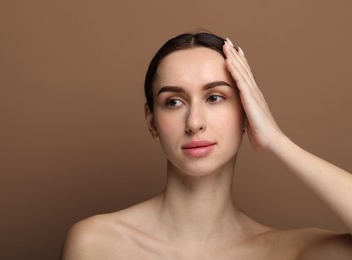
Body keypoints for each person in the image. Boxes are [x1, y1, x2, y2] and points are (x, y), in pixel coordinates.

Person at [60, 32, 352, 259]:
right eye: (174, 102)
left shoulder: (292, 252)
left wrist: (277, 142)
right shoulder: (97, 243)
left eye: (214, 97)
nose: (194, 122)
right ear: (152, 121)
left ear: (247, 112)